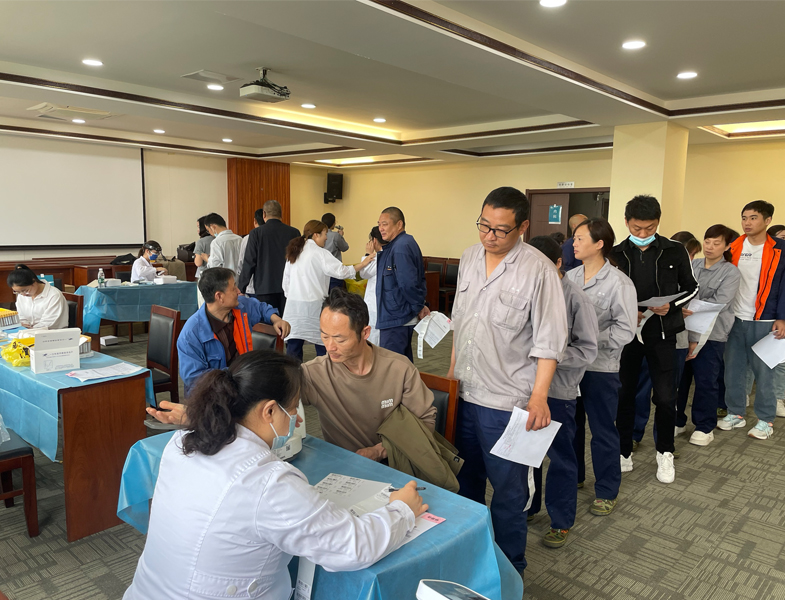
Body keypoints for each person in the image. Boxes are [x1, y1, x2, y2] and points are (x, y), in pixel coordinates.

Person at [123, 350, 427, 600]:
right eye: (293, 409)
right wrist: (402, 509)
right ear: (269, 411)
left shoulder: (181, 443)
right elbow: (352, 547)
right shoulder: (268, 482)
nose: (297, 420)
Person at [150, 288, 437, 461]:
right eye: (324, 336)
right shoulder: (316, 373)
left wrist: (379, 451)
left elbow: (425, 422)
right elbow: (255, 401)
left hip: (398, 463)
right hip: (345, 463)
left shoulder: (399, 368)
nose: (330, 347)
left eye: (340, 338)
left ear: (365, 333)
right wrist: (198, 415)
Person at [447, 187, 568, 574]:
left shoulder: (539, 271)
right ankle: (471, 561)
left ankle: (509, 568)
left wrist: (539, 397)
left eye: (500, 230)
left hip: (507, 404)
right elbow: (461, 324)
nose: (490, 236)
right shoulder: (469, 257)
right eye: (484, 225)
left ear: (523, 227)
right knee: (463, 485)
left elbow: (550, 342)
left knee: (508, 492)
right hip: (465, 394)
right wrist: (450, 380)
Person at [611, 195, 698, 484]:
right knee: (624, 395)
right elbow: (606, 294)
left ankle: (665, 452)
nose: (643, 233)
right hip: (627, 334)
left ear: (658, 222)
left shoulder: (674, 250)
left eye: (650, 228)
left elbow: (692, 288)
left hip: (662, 333)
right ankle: (624, 451)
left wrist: (671, 306)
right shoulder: (615, 253)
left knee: (665, 397)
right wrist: (627, 311)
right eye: (637, 228)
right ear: (626, 222)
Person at [526, 235, 598, 549]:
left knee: (560, 458)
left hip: (558, 390)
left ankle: (561, 520)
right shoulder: (526, 289)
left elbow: (588, 350)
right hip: (524, 388)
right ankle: (529, 506)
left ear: (558, 264)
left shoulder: (575, 297)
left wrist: (549, 356)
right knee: (526, 454)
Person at [567, 217, 637, 516]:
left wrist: (589, 340)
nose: (574, 243)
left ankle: (607, 490)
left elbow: (626, 330)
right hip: (569, 367)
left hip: (600, 368)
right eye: (574, 238)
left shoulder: (619, 283)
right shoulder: (569, 277)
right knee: (570, 427)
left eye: (580, 238)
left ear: (599, 244)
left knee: (602, 430)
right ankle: (576, 476)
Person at [719, 200, 785, 440]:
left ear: (767, 220)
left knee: (765, 372)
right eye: (744, 218)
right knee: (734, 370)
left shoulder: (780, 249)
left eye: (753, 218)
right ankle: (735, 413)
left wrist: (782, 317)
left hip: (765, 320)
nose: (747, 223)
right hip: (735, 318)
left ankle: (765, 420)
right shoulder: (734, 246)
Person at [633, 231, 701, 450]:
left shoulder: (690, 276)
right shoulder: (652, 268)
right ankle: (634, 434)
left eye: (692, 255)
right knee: (641, 389)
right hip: (646, 335)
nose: (689, 259)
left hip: (675, 339)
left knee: (667, 395)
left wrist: (675, 310)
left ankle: (664, 443)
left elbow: (692, 294)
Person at [177, 268, 290, 396]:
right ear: (219, 296)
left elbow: (261, 308)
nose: (238, 291)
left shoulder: (240, 307)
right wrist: (235, 374)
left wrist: (276, 320)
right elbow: (194, 379)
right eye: (233, 288)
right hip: (212, 395)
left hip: (242, 385)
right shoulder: (191, 334)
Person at [681, 225, 740, 446]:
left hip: (712, 334)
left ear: (726, 246)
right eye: (707, 241)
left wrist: (687, 306)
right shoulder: (693, 264)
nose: (710, 247)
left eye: (716, 243)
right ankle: (678, 421)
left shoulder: (731, 272)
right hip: (684, 330)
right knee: (680, 380)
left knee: (706, 381)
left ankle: (704, 426)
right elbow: (681, 291)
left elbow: (719, 303)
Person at [282, 220, 374, 362]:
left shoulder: (294, 252)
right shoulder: (320, 253)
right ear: (316, 235)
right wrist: (363, 264)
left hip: (293, 307)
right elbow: (341, 271)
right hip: (314, 307)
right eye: (325, 234)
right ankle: (324, 374)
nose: (326, 238)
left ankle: (292, 375)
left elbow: (286, 283)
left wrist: (294, 296)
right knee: (323, 345)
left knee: (293, 349)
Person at [376, 207, 428, 361]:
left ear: (399, 224)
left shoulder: (400, 247)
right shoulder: (398, 244)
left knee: (390, 367)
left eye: (385, 224)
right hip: (396, 316)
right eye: (379, 224)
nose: (381, 228)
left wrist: (418, 306)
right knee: (402, 365)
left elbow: (408, 283)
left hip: (397, 318)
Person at [238, 200, 301, 314]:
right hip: (289, 287)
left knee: (268, 320)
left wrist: (241, 287)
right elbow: (299, 261)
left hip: (264, 287)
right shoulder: (294, 232)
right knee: (287, 320)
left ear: (264, 214)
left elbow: (249, 262)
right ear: (281, 214)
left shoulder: (256, 233)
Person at [7, 264, 69, 329]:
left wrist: (29, 329)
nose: (23, 294)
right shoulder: (21, 295)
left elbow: (48, 323)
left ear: (34, 282)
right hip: (30, 331)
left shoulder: (54, 295)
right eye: (17, 292)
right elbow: (21, 316)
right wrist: (23, 324)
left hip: (51, 332)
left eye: (25, 290)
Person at [360, 226, 387, 346]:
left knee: (373, 338)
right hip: (385, 305)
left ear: (374, 240)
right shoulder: (391, 254)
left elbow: (363, 273)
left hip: (375, 305)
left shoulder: (377, 258)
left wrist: (368, 254)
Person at [236, 208, 263, 297]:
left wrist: (241, 286)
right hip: (269, 285)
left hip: (251, 286)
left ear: (255, 221)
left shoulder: (247, 238)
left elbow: (242, 262)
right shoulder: (273, 236)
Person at [322, 212, 350, 291]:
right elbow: (345, 247)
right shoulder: (335, 236)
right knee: (335, 295)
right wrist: (340, 236)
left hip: (323, 271)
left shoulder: (318, 235)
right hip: (335, 271)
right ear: (333, 223)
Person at [193, 216, 213, 280]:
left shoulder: (201, 242)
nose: (197, 230)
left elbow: (198, 263)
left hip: (203, 275)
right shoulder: (218, 239)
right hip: (217, 274)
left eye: (198, 227)